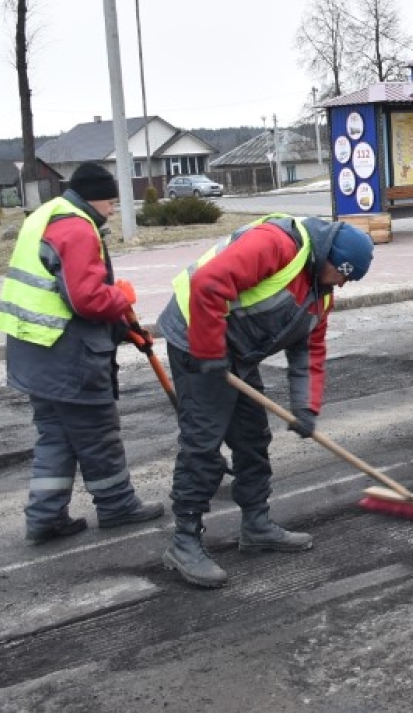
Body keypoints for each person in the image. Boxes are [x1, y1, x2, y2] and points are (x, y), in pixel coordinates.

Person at [156, 214, 374, 588]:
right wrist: (209, 353)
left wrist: (306, 407)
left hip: (235, 349)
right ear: (331, 260)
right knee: (203, 441)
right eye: (343, 275)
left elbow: (308, 351)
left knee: (252, 437)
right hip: (196, 336)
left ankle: (256, 523)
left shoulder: (320, 296)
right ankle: (185, 541)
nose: (342, 285)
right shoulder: (275, 245)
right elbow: (208, 284)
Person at [0, 162, 166, 544]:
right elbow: (86, 299)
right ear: (98, 198)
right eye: (111, 202)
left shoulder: (49, 216)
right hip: (67, 357)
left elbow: (59, 292)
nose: (112, 210)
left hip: (35, 353)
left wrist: (124, 330)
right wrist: (121, 297)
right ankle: (118, 506)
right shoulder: (77, 227)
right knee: (98, 433)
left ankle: (45, 517)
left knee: (55, 437)